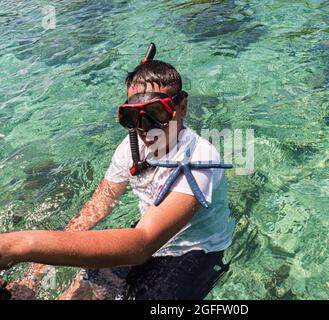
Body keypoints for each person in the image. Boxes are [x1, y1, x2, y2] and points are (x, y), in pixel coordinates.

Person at [0, 51, 235, 300]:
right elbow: (98, 206)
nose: (145, 128)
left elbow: (142, 244)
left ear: (182, 106)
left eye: (157, 112)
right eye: (134, 116)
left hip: (194, 251)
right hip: (146, 234)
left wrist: (22, 244)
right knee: (87, 284)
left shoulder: (200, 160)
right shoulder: (131, 147)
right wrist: (33, 277)